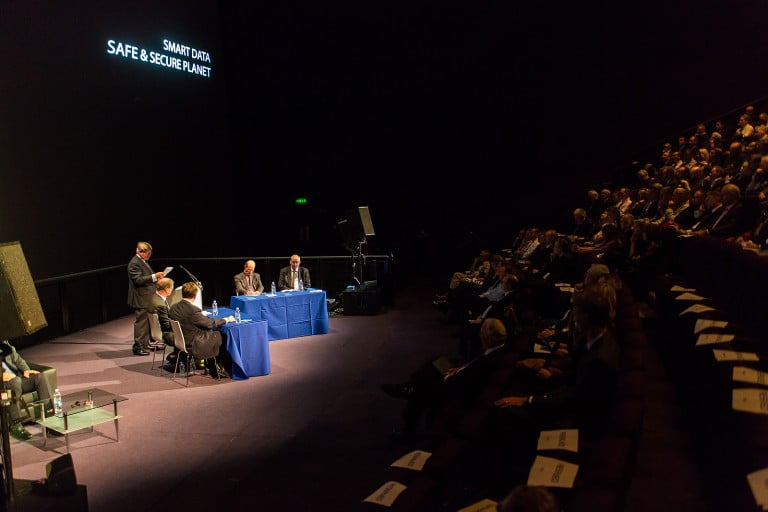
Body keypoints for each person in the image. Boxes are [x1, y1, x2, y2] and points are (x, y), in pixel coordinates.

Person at [168, 282, 235, 378]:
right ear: (195, 295)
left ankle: (212, 365)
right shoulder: (193, 310)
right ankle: (217, 367)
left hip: (180, 342)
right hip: (194, 344)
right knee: (221, 334)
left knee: (213, 334)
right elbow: (209, 324)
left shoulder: (173, 307)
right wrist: (226, 319)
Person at [2, 340, 57, 440]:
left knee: (40, 377)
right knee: (15, 381)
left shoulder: (4, 342)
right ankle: (16, 426)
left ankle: (50, 420)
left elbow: (18, 359)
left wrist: (26, 370)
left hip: (16, 380)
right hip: (3, 384)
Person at [127, 241, 166, 356]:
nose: (149, 255)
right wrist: (154, 276)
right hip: (141, 298)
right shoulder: (134, 263)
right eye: (148, 253)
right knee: (141, 322)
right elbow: (138, 280)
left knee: (148, 321)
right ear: (140, 252)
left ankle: (146, 343)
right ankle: (138, 346)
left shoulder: (142, 261)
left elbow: (145, 277)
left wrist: (156, 279)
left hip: (147, 297)